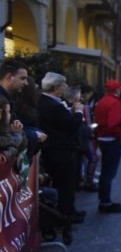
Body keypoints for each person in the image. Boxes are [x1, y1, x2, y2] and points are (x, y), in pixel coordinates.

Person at [38, 72, 86, 223]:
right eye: (64, 85)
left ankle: (68, 211)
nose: (66, 88)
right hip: (61, 151)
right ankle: (65, 214)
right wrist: (78, 111)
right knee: (65, 184)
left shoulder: (47, 102)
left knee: (65, 184)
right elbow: (72, 125)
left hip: (56, 149)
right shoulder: (52, 105)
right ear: (57, 87)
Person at [93, 80, 121, 214]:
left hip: (102, 138)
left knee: (105, 172)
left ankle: (104, 199)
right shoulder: (115, 103)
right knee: (109, 173)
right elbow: (113, 124)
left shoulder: (102, 101)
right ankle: (105, 202)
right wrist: (120, 136)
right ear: (117, 90)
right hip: (112, 140)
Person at [0, 59, 46, 153]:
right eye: (22, 78)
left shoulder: (10, 99)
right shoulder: (2, 101)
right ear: (9, 77)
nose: (26, 83)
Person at [0, 96, 27, 164]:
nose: (10, 115)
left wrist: (18, 131)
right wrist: (16, 135)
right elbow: (10, 146)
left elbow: (22, 147)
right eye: (8, 112)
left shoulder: (6, 128)